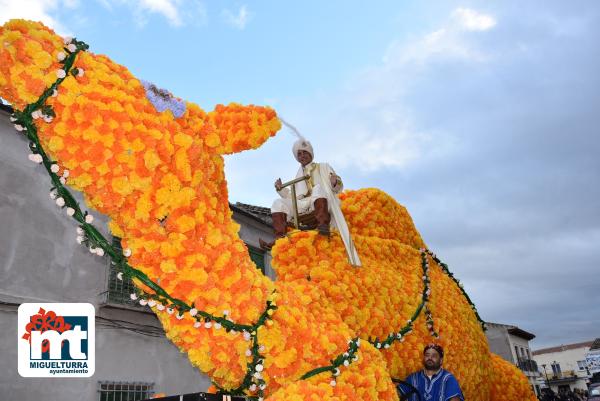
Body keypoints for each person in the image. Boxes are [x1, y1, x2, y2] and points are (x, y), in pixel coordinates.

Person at [259, 138, 361, 266]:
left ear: (310, 154)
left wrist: (334, 182)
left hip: (322, 201)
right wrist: (281, 190)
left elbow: (338, 186)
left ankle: (323, 225)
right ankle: (280, 238)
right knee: (278, 203)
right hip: (303, 205)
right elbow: (292, 198)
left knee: (318, 188)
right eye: (299, 154)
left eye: (304, 152)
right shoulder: (297, 176)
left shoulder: (323, 167)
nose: (302, 156)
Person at [397, 344, 464, 401]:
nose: (430, 358)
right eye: (427, 355)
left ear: (441, 360)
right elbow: (396, 394)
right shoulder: (412, 378)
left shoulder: (448, 379)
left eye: (434, 356)